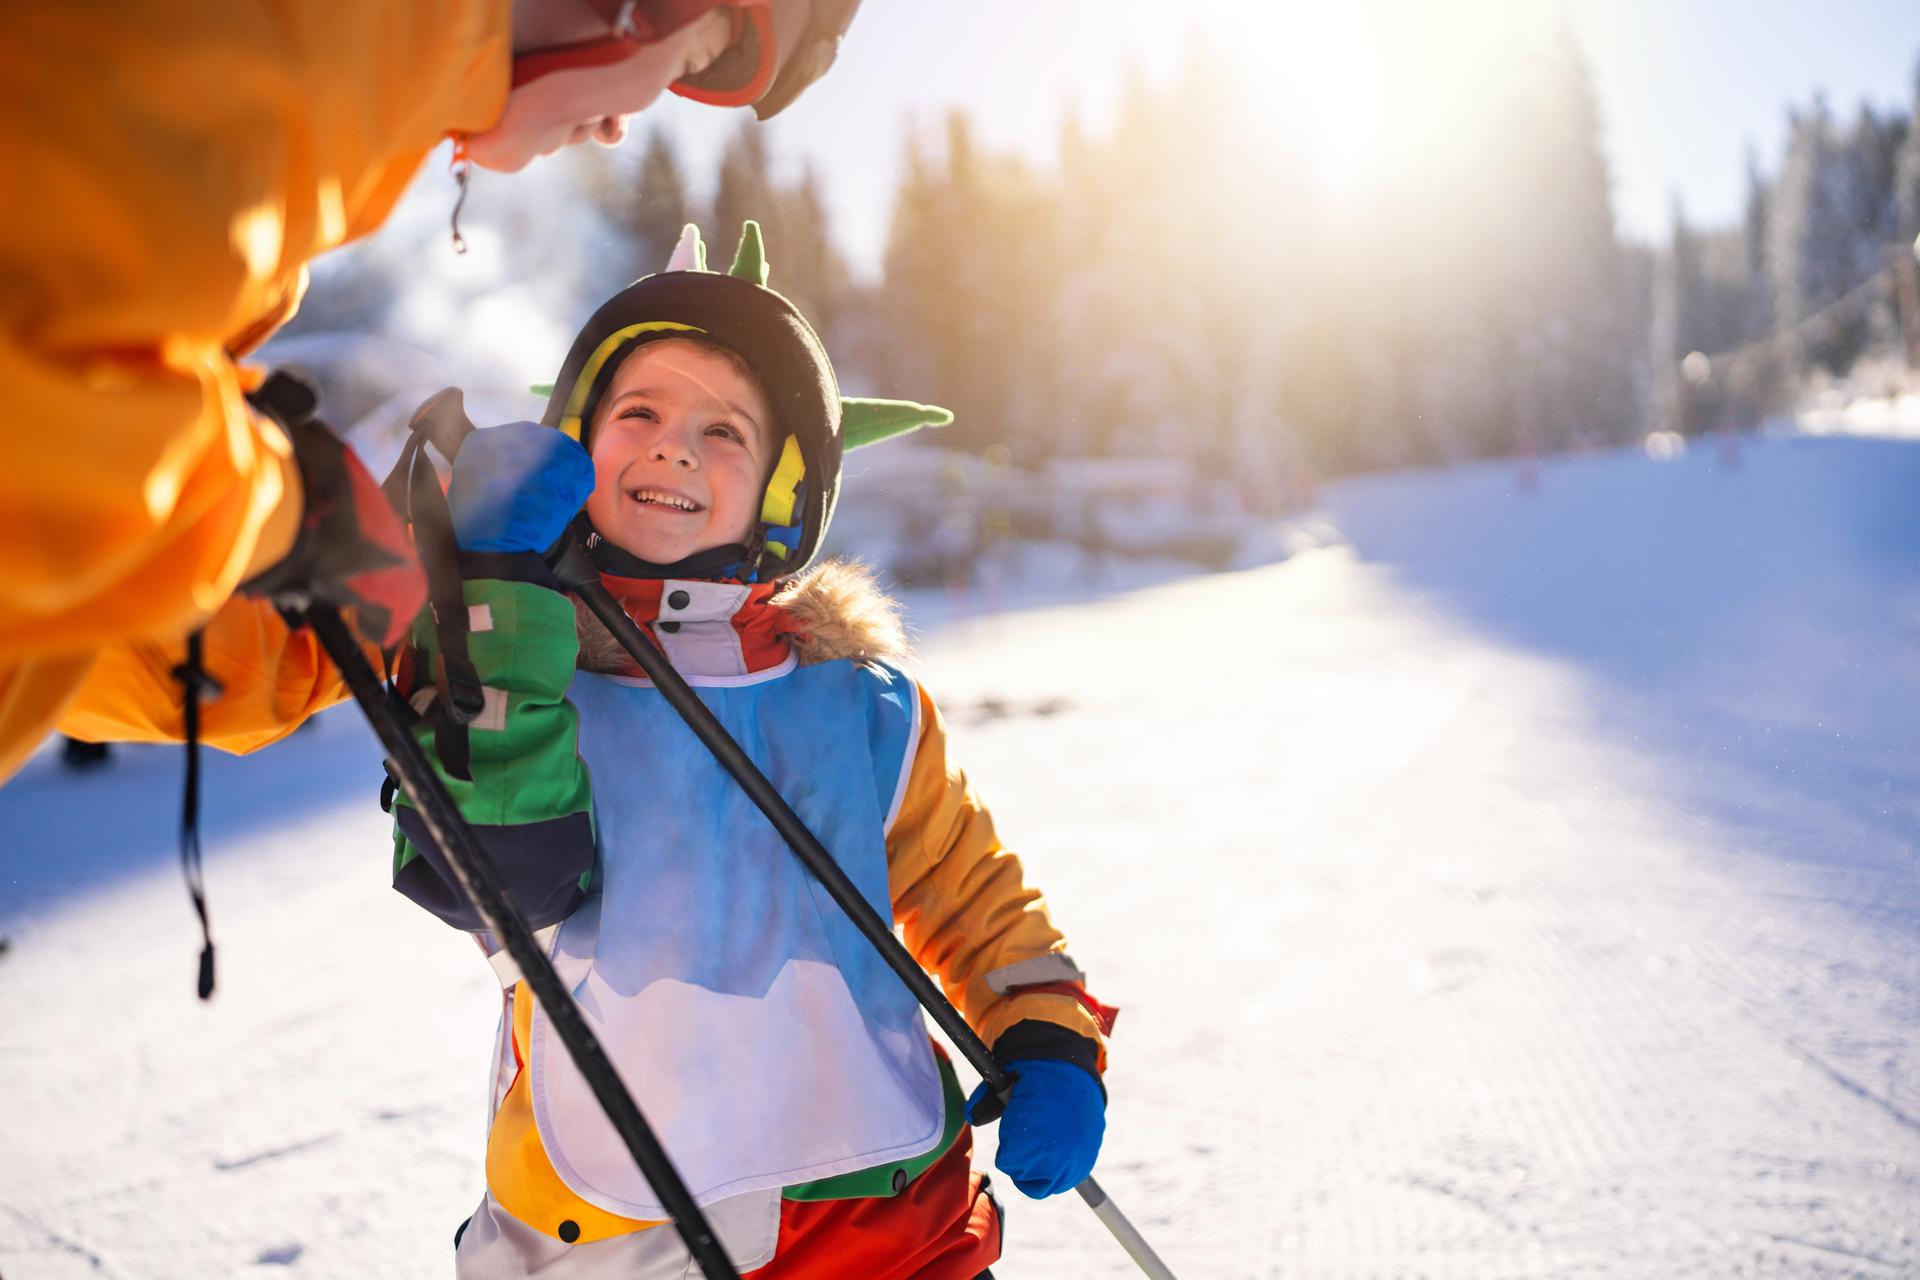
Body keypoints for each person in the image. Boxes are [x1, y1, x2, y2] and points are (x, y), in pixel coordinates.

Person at [386, 222, 1116, 1277]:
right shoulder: (516, 662)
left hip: (888, 1219)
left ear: (785, 488)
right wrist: (496, 585)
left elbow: (970, 893)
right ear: (574, 447)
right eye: (638, 412)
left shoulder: (859, 702)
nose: (676, 444)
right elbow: (497, 876)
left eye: (725, 431)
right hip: (627, 1231)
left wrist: (1047, 1031)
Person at [0, 0, 861, 782]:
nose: (615, 126)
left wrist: (363, 593)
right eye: (682, 61)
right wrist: (283, 512)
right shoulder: (234, 59)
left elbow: (95, 608)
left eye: (726, 433)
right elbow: (41, 430)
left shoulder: (299, 130)